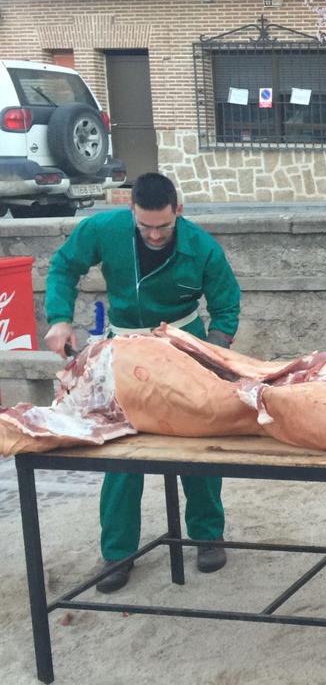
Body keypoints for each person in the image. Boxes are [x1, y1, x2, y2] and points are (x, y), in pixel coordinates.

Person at [43, 173, 241, 593]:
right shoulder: (103, 229)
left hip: (182, 347)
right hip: (124, 348)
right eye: (144, 225)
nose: (153, 234)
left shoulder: (201, 247)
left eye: (163, 226)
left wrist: (214, 353)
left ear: (179, 213)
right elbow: (63, 266)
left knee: (196, 446)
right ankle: (119, 554)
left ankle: (207, 535)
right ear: (132, 212)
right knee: (119, 449)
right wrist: (59, 317)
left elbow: (226, 306)